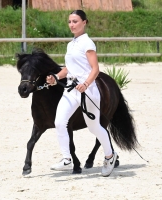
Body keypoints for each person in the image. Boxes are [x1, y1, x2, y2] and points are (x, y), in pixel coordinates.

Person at [46, 10, 117, 177]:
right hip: (70, 90)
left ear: (84, 22)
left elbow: (95, 69)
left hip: (88, 90)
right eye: (70, 21)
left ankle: (110, 155)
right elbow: (69, 68)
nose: (71, 24)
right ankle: (66, 159)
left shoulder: (88, 43)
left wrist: (86, 84)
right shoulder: (71, 44)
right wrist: (56, 77)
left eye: (75, 21)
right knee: (59, 121)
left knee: (94, 127)